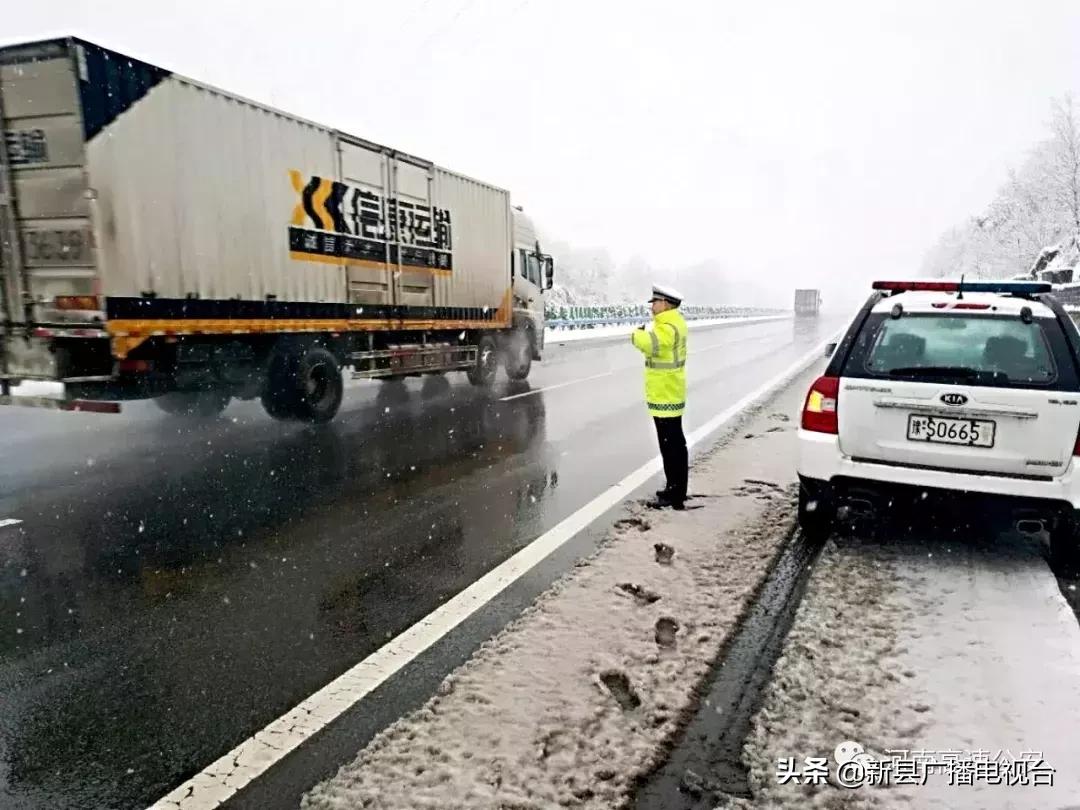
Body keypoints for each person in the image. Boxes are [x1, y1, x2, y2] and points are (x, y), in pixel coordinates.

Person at [631, 284, 688, 509]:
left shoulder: (668, 326)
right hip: (667, 392)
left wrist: (636, 334)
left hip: (666, 394)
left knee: (671, 445)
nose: (652, 307)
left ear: (665, 303)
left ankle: (675, 493)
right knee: (672, 444)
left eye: (654, 302)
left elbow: (650, 345)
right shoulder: (671, 323)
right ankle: (674, 488)